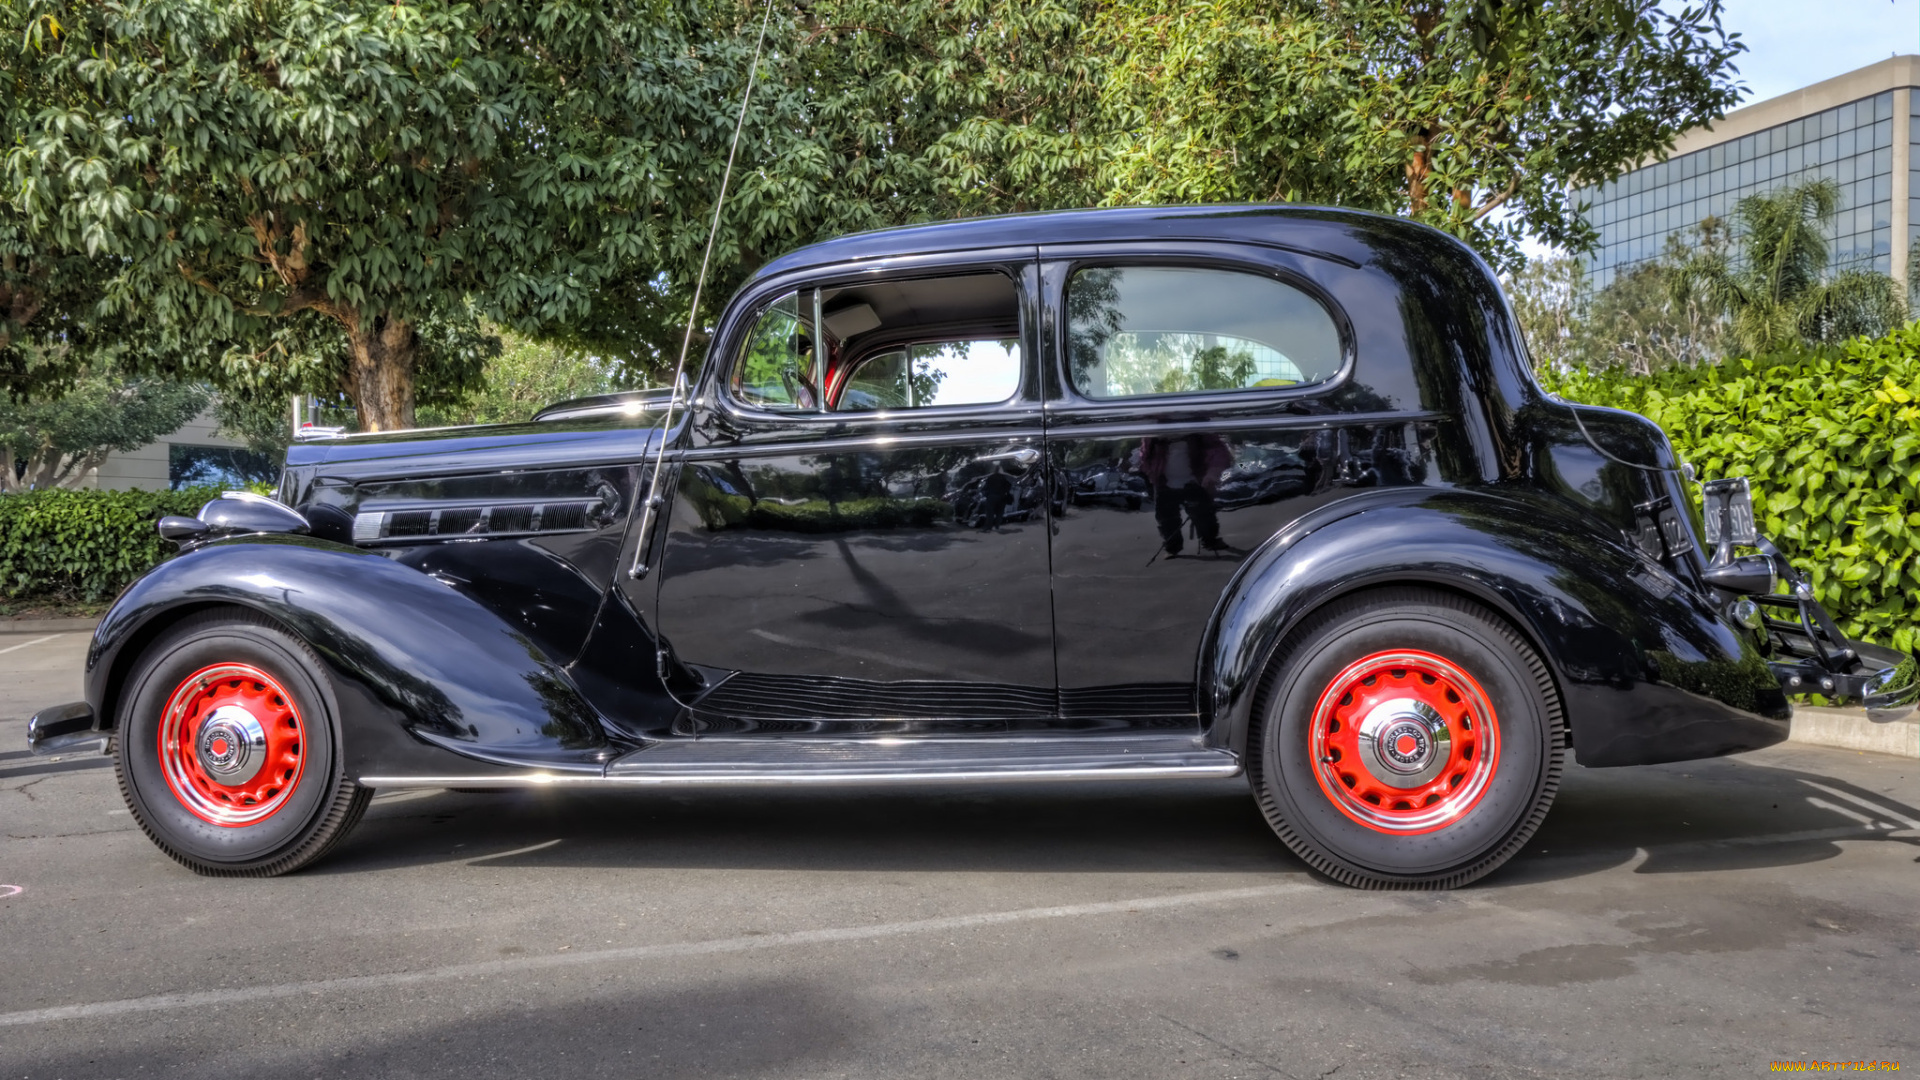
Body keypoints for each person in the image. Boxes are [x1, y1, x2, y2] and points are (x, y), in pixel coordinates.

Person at [1138, 433, 1232, 555]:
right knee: (1166, 518)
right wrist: (1152, 474)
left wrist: (1212, 474)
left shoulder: (1200, 432)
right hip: (1164, 483)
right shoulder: (1153, 436)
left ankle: (1210, 540)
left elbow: (1218, 453)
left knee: (1204, 515)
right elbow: (1145, 456)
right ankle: (1172, 546)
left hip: (1194, 481)